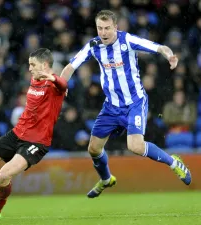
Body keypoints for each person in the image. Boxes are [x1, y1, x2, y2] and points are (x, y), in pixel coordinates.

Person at [59, 10, 192, 198]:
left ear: (116, 27)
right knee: (93, 149)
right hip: (111, 106)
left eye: (107, 28)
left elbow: (159, 47)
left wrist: (169, 56)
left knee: (135, 146)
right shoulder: (93, 45)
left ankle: (174, 162)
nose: (103, 32)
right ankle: (106, 179)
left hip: (134, 103)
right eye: (100, 28)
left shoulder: (127, 40)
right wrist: (61, 84)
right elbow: (71, 67)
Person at [0, 48, 67, 221]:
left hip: (36, 142)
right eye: (29, 64)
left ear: (45, 65)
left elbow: (63, 84)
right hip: (16, 134)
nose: (30, 68)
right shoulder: (33, 79)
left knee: (3, 174)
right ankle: (8, 175)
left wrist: (53, 78)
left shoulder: (55, 85)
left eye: (33, 64)